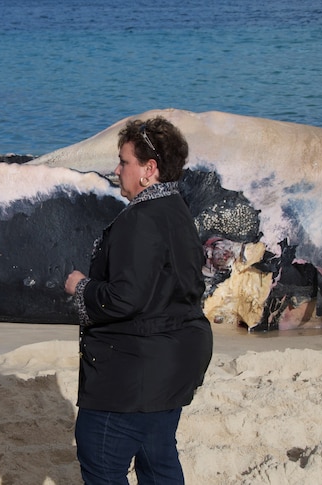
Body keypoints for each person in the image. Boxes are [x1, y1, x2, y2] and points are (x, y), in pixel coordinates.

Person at [64, 116, 213, 484]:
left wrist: (81, 287)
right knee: (158, 462)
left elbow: (125, 299)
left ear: (149, 169)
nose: (116, 170)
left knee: (101, 462)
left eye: (123, 161)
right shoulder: (179, 212)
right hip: (174, 364)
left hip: (133, 376)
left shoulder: (141, 220)